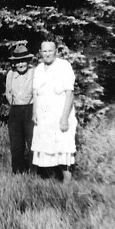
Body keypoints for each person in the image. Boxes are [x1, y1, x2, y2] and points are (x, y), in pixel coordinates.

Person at [31, 40, 77, 183]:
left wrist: (64, 118)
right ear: (41, 53)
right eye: (44, 51)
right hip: (44, 116)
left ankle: (66, 182)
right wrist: (34, 113)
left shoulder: (64, 66)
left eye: (50, 51)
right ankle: (48, 179)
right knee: (45, 145)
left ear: (56, 51)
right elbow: (35, 93)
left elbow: (70, 93)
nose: (47, 54)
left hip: (59, 114)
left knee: (62, 146)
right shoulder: (38, 69)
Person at [5, 42, 35, 174]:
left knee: (33, 142)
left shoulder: (34, 72)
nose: (21, 64)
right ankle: (18, 172)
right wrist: (14, 107)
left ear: (28, 61)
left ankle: (35, 172)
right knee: (16, 145)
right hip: (16, 111)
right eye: (18, 62)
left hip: (31, 110)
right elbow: (8, 93)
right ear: (14, 63)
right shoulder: (10, 75)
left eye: (23, 61)